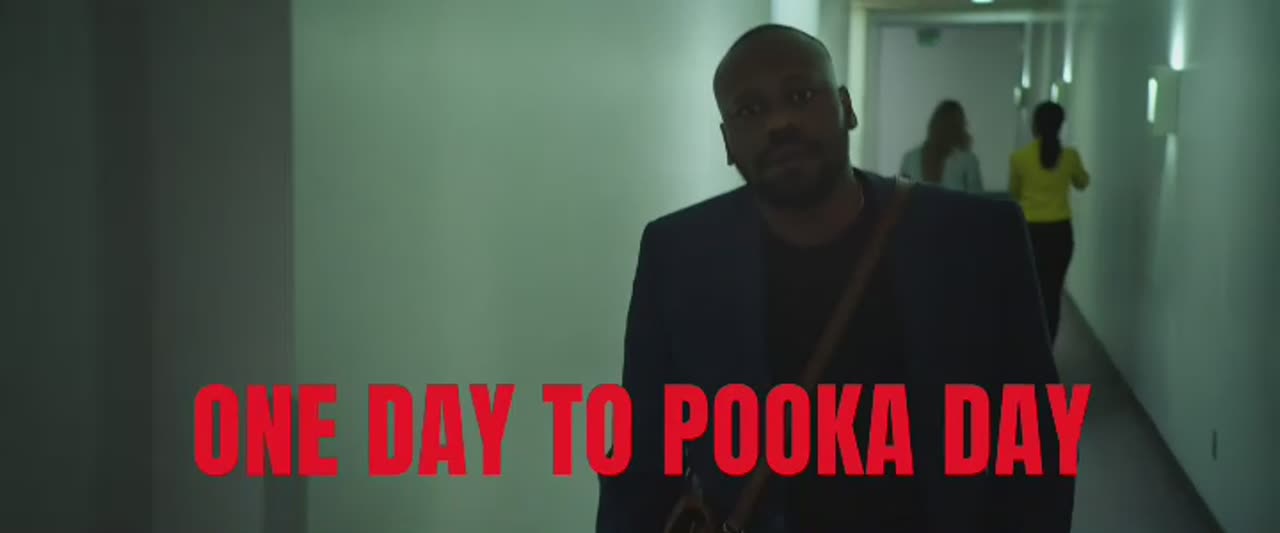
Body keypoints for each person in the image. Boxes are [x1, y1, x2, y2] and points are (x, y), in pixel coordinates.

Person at [595, 24, 1073, 533]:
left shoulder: (975, 238)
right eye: (750, 110)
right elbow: (642, 455)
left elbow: (1036, 444)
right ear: (728, 141)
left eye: (801, 96)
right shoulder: (679, 254)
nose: (780, 122)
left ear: (846, 108)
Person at [1009, 101, 1090, 345]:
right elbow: (1082, 183)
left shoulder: (1020, 158)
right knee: (1052, 293)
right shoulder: (1070, 157)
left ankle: (1027, 343)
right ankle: (1047, 348)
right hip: (1059, 234)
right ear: (1060, 125)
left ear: (1035, 126)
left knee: (1028, 292)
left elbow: (1014, 194)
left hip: (1029, 233)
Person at [898, 100, 985, 193]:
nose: (945, 130)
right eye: (943, 122)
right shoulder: (910, 159)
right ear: (934, 124)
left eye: (952, 125)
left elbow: (976, 198)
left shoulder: (968, 161)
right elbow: (900, 196)